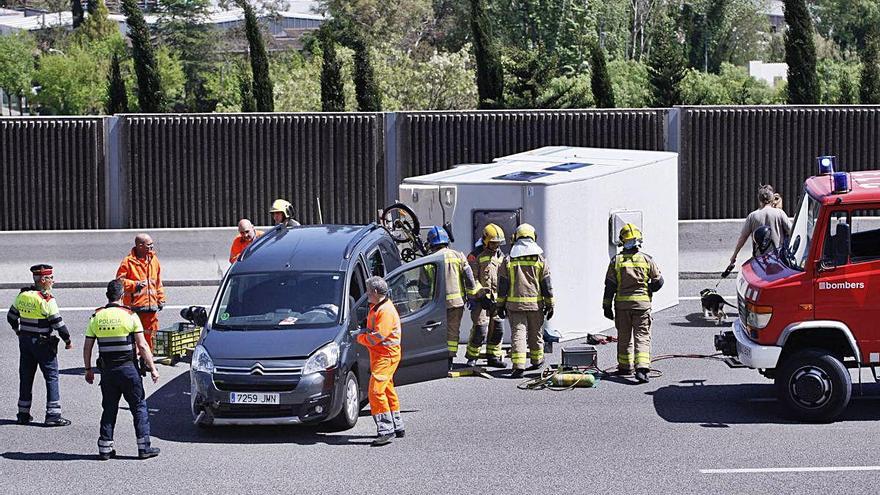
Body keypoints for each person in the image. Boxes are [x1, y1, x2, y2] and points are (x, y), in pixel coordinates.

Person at [83, 280, 161, 460]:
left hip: (108, 372)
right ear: (121, 296)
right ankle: (144, 448)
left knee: (109, 408)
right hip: (128, 370)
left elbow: (87, 347)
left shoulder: (96, 317)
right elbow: (142, 346)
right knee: (139, 406)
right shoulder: (130, 315)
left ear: (107, 295)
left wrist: (88, 369)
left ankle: (104, 449)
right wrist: (153, 368)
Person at [7, 264, 72, 426]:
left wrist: (17, 330)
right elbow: (58, 324)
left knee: (26, 376)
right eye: (50, 278)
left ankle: (23, 414)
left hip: (25, 342)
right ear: (43, 280)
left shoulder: (22, 296)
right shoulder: (46, 300)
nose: (53, 281)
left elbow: (11, 317)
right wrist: (68, 340)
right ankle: (53, 415)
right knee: (51, 377)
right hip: (43, 343)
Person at [603, 224, 664, 384]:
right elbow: (659, 282)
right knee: (642, 336)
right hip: (642, 306)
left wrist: (606, 306)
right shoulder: (646, 259)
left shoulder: (616, 261)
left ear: (622, 241)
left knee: (624, 337)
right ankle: (642, 369)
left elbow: (609, 286)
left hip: (622, 307)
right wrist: (647, 289)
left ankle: (625, 367)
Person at [496, 224, 554, 379]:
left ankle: (518, 366)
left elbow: (502, 285)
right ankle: (537, 360)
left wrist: (499, 305)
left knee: (518, 335)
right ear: (533, 238)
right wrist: (550, 304)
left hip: (515, 306)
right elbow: (546, 285)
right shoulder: (540, 260)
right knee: (536, 333)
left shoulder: (508, 260)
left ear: (516, 238)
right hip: (536, 305)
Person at [356, 276, 404, 446]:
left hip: (385, 356)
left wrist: (359, 337)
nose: (367, 294)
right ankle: (397, 425)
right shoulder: (378, 307)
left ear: (376, 292)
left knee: (375, 392)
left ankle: (385, 429)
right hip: (382, 356)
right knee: (387, 389)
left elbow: (377, 337)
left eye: (368, 291)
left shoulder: (385, 311)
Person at [424, 226, 481, 370]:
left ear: (431, 243)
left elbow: (423, 287)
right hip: (456, 303)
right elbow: (469, 278)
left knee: (435, 330)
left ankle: (435, 358)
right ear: (446, 241)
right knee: (452, 331)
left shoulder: (427, 260)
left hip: (436, 305)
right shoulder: (458, 255)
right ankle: (449, 359)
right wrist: (472, 295)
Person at [464, 224, 506, 368]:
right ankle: (472, 357)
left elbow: (504, 277)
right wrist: (481, 295)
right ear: (485, 240)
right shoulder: (475, 255)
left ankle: (493, 356)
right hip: (481, 300)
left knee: (498, 329)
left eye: (498, 243)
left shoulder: (500, 256)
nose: (496, 246)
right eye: (493, 243)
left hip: (497, 299)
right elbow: (472, 279)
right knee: (480, 329)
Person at [116, 234, 165, 351]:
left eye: (152, 244)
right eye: (149, 244)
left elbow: (157, 282)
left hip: (151, 307)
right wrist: (135, 285)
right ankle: (134, 358)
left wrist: (161, 298)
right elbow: (119, 281)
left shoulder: (154, 260)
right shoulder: (128, 262)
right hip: (134, 307)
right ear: (140, 246)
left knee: (150, 334)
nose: (152, 246)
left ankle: (147, 359)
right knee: (132, 335)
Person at [730, 185, 792, 264]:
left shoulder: (752, 216)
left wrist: (734, 255)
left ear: (759, 200)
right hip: (778, 259)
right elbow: (792, 231)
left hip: (760, 260)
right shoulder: (779, 213)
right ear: (772, 198)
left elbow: (743, 238)